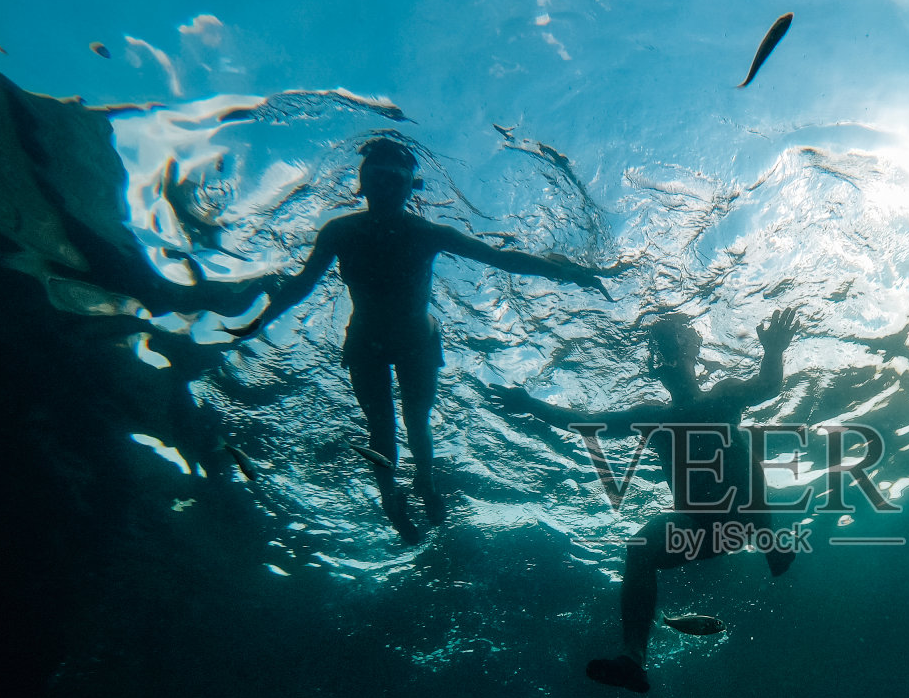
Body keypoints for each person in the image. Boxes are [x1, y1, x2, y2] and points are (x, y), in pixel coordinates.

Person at [221, 138, 618, 541]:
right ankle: (391, 495)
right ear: (363, 183)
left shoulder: (419, 233)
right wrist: (261, 319)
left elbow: (500, 259)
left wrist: (565, 272)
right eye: (379, 178)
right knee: (383, 427)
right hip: (374, 341)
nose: (386, 186)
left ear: (411, 186)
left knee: (414, 422)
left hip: (409, 340)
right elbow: (303, 284)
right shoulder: (342, 232)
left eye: (395, 178)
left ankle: (423, 482)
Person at [490, 307, 802, 693]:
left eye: (676, 350)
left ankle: (766, 536)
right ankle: (632, 660)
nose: (670, 361)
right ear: (657, 368)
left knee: (741, 449)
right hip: (701, 529)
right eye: (663, 354)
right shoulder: (651, 416)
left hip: (744, 513)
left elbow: (767, 386)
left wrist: (773, 350)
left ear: (692, 357)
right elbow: (587, 423)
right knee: (639, 548)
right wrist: (532, 404)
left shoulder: (721, 397)